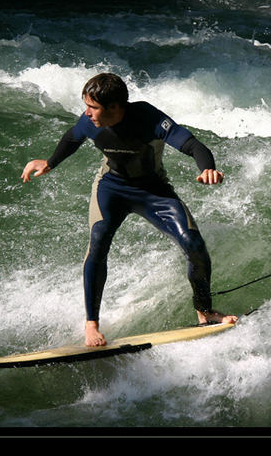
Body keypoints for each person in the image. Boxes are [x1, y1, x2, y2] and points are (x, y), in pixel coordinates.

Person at [21, 73, 237, 346]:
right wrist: (49, 163)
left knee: (194, 245)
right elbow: (72, 138)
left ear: (114, 107)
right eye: (86, 106)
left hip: (153, 191)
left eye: (93, 107)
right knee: (98, 244)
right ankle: (92, 325)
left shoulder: (148, 117)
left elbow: (193, 145)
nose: (87, 113)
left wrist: (207, 168)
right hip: (111, 188)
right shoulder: (90, 122)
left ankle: (205, 312)